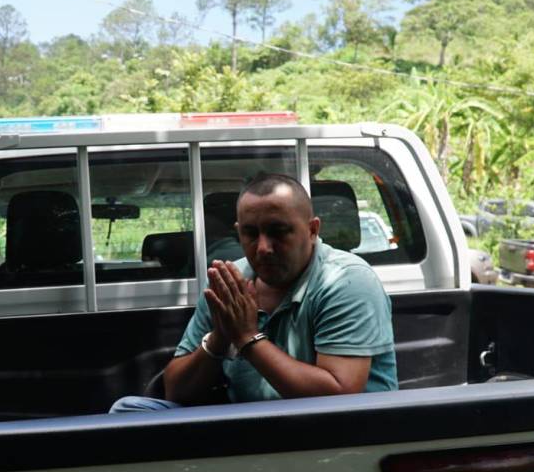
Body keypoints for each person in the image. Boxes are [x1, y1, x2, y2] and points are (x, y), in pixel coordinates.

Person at [111, 173, 396, 412]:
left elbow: (340, 396)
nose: (262, 248)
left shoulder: (344, 280)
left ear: (312, 230)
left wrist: (247, 338)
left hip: (335, 436)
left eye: (278, 231)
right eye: (250, 233)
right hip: (250, 429)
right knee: (129, 411)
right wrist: (221, 337)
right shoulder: (230, 281)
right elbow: (176, 391)